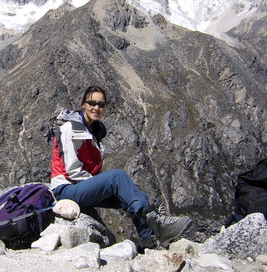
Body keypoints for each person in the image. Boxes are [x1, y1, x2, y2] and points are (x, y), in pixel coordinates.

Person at [50, 86, 192, 249]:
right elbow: (71, 170)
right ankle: (156, 222)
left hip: (79, 187)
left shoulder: (92, 130)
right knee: (117, 177)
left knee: (137, 195)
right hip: (66, 190)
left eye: (101, 105)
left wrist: (98, 186)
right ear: (83, 104)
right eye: (92, 103)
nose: (96, 108)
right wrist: (100, 184)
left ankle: (149, 241)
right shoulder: (71, 128)